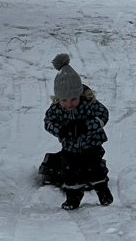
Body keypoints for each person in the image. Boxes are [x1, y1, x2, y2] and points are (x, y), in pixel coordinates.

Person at [44, 53, 113, 210]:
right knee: (70, 174)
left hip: (92, 146)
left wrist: (87, 126)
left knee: (96, 170)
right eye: (64, 100)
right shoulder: (56, 109)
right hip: (70, 149)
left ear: (80, 94)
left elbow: (103, 115)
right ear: (58, 98)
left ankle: (102, 191)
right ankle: (73, 198)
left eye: (74, 99)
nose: (69, 104)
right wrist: (60, 130)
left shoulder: (88, 104)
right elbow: (48, 123)